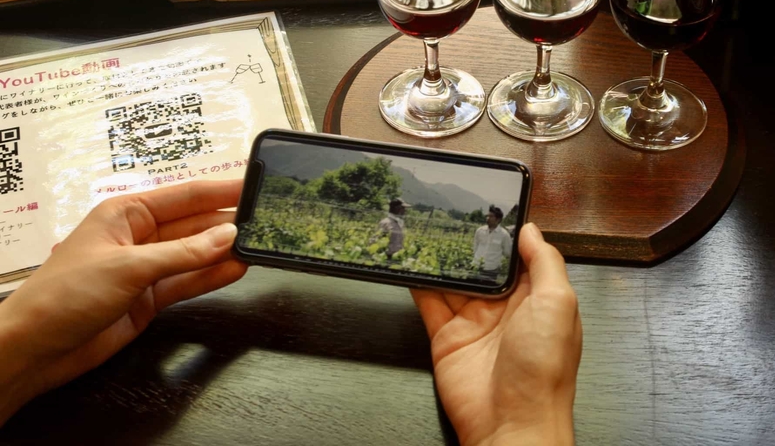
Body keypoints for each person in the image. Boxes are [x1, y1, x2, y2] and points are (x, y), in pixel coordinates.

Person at [0, 181, 582, 444]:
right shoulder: (394, 221)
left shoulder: (423, 226)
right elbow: (379, 240)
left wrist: (20, 348)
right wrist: (524, 429)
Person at [473, 205, 513, 284]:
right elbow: (475, 247)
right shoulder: (480, 231)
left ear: (498, 219)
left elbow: (507, 252)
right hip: (476, 266)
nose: (488, 218)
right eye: (487, 216)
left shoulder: (504, 235)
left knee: (487, 288)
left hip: (491, 270)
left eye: (491, 216)